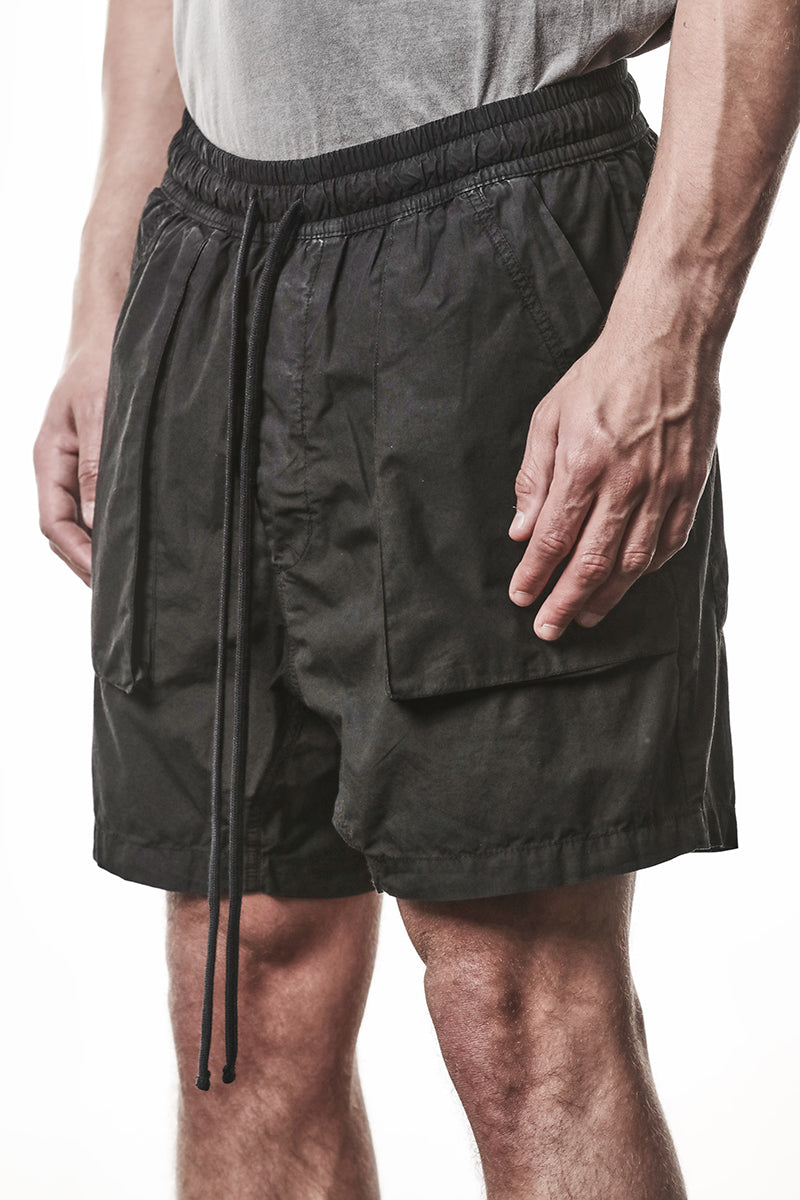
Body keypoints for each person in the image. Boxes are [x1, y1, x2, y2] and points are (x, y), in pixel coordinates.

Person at [32, 0, 799, 1195]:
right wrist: (108, 295)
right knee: (242, 978)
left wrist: (670, 331)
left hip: (497, 218)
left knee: (514, 1006)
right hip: (209, 246)